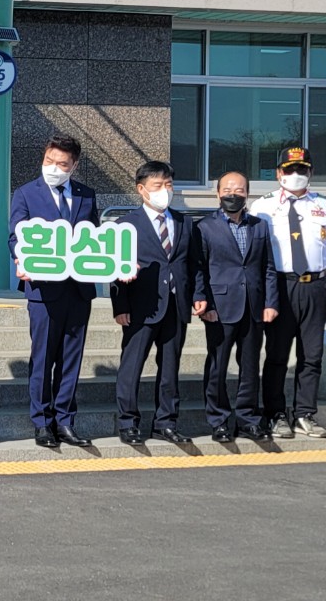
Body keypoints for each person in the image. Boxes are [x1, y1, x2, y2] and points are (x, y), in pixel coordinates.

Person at [252, 146, 326, 439]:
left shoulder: (325, 205)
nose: (296, 174)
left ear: (311, 172)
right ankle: (275, 413)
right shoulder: (262, 207)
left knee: (312, 355)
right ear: (278, 173)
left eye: (302, 169)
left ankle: (305, 413)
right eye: (290, 169)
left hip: (316, 286)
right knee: (277, 354)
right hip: (281, 286)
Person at [9, 135, 98, 449]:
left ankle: (65, 421)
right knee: (43, 357)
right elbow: (15, 236)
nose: (54, 168)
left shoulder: (86, 195)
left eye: (62, 164)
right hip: (43, 290)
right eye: (49, 161)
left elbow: (96, 238)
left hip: (79, 289)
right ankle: (42, 422)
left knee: (71, 359)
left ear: (74, 165)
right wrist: (21, 258)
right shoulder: (25, 193)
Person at [109, 161, 199, 446]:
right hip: (141, 306)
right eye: (158, 186)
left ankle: (166, 423)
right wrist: (120, 306)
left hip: (176, 304)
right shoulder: (125, 225)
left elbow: (193, 264)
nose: (164, 190)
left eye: (168, 185)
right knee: (132, 366)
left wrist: (198, 296)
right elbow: (115, 268)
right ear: (142, 189)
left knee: (170, 367)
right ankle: (127, 423)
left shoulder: (184, 222)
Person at [193, 171, 278, 443]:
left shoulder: (259, 226)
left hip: (254, 306)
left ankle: (248, 419)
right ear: (218, 194)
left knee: (250, 366)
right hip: (220, 307)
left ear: (247, 194)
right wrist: (203, 300)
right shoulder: (204, 227)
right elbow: (199, 269)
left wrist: (270, 302)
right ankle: (218, 420)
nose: (233, 194)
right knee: (217, 366)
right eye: (228, 190)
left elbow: (268, 267)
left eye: (239, 190)